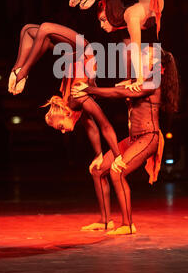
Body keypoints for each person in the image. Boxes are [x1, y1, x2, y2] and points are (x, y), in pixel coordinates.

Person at [72, 46, 179, 236]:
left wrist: (88, 89)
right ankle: (105, 222)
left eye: (149, 57)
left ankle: (128, 224)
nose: (144, 58)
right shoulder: (137, 81)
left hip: (149, 137)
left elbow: (118, 93)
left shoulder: (154, 82)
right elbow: (113, 90)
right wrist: (89, 89)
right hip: (134, 139)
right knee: (98, 170)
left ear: (159, 66)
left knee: (117, 171)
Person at [8, 23, 122, 185]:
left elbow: (102, 126)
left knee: (34, 30)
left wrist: (117, 156)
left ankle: (21, 71)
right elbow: (97, 127)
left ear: (66, 113)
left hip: (77, 50)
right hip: (77, 51)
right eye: (61, 128)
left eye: (60, 127)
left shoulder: (75, 100)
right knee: (30, 31)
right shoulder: (77, 105)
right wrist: (100, 154)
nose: (63, 132)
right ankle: (20, 70)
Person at [69, 0, 164, 89]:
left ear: (112, 15)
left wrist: (138, 80)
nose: (101, 26)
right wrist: (130, 79)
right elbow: (129, 51)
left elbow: (135, 48)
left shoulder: (130, 15)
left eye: (102, 19)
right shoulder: (129, 19)